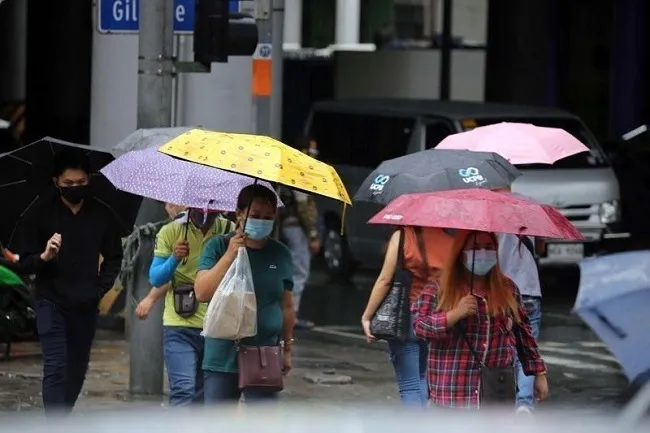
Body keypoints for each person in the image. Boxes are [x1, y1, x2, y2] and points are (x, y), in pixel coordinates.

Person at [12, 150, 123, 415]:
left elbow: (114, 257)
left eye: (81, 183)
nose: (75, 188)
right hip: (50, 300)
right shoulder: (39, 213)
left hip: (85, 303)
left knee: (77, 367)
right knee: (56, 365)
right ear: (56, 182)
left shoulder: (101, 214)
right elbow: (24, 261)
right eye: (69, 184)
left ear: (89, 180)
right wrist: (45, 255)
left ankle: (62, 417)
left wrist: (99, 288)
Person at [412, 230, 549, 409]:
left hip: (496, 392)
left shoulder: (508, 289)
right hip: (453, 395)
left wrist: (538, 373)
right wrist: (454, 315)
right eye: (476, 248)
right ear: (461, 253)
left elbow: (524, 335)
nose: (483, 253)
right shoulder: (439, 289)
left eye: (489, 248)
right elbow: (419, 326)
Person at [194, 184, 295, 404]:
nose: (262, 221)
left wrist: (287, 348)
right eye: (255, 215)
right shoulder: (218, 246)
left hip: (264, 355)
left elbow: (286, 306)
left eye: (268, 217)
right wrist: (231, 253)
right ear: (239, 214)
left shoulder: (281, 254)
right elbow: (202, 292)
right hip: (223, 355)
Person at [135, 208, 234, 407]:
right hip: (179, 324)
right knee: (183, 389)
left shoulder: (228, 231)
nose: (205, 213)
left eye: (211, 209)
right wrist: (175, 258)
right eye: (199, 208)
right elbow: (156, 278)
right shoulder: (171, 231)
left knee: (203, 395)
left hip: (215, 325)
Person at [361, 227, 455, 406]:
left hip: (405, 318)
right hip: (433, 319)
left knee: (409, 385)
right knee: (422, 378)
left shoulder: (403, 236)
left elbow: (385, 280)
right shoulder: (450, 240)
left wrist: (367, 316)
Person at [278, 135, 321, 329]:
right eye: (311, 151)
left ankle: (287, 313)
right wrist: (313, 234)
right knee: (299, 272)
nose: (313, 155)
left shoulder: (287, 170)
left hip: (286, 227)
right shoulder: (298, 173)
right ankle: (291, 315)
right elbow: (304, 207)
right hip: (296, 228)